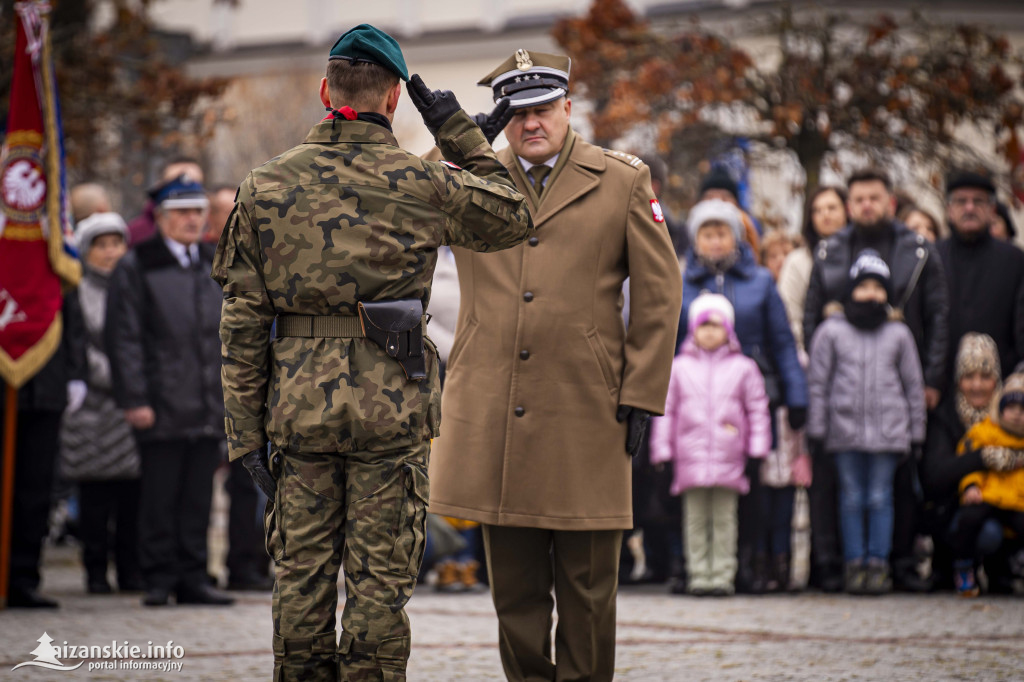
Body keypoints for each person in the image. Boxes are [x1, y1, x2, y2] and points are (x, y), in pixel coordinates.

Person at [214, 24, 532, 680]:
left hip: (297, 407)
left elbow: (242, 324)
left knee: (301, 581)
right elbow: (512, 214)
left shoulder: (265, 186)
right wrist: (457, 131)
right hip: (392, 407)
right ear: (395, 99)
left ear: (324, 90)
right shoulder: (420, 184)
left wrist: (244, 437)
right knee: (379, 585)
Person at [427, 49, 681, 682]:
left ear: (569, 108)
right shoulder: (472, 174)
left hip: (586, 410)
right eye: (515, 112)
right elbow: (403, 211)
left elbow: (659, 292)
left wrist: (644, 391)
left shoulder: (622, 180)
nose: (529, 123)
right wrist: (452, 147)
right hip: (494, 412)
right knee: (513, 593)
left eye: (542, 108)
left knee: (589, 590)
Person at [803, 167, 948, 593]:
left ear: (890, 201)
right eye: (859, 199)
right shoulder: (831, 252)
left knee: (898, 490)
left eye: (874, 197)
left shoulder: (917, 250)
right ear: (850, 206)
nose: (867, 205)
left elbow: (939, 317)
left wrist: (932, 378)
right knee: (843, 492)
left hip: (902, 392)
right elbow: (813, 318)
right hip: (845, 402)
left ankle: (897, 564)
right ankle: (840, 566)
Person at [106, 174, 233, 608]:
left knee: (198, 497)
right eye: (182, 212)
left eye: (198, 212)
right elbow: (124, 338)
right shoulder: (137, 264)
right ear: (161, 218)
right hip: (160, 401)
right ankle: (158, 577)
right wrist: (135, 399)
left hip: (206, 400)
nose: (191, 220)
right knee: (159, 497)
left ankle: (193, 577)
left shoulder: (214, 261)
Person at [677, 198, 808, 593]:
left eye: (722, 233)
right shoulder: (682, 281)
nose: (715, 242)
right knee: (695, 492)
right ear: (696, 240)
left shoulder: (761, 282)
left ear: (735, 237)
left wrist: (795, 394)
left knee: (751, 489)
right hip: (695, 402)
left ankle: (747, 565)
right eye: (707, 234)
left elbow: (782, 341)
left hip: (752, 397)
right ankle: (695, 568)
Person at [806, 251, 927, 594]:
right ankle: (853, 563)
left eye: (878, 287)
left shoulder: (898, 334)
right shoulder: (831, 332)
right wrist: (817, 428)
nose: (871, 293)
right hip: (843, 433)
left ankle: (878, 563)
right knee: (851, 498)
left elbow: (913, 387)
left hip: (888, 434)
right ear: (850, 291)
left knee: (879, 498)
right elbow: (818, 382)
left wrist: (916, 432)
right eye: (864, 286)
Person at [651, 293, 771, 596]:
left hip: (729, 459)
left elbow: (757, 408)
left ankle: (721, 575)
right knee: (694, 520)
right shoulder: (678, 367)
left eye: (716, 326)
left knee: (724, 520)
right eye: (703, 325)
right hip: (689, 460)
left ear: (728, 330)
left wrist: (758, 448)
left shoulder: (744, 368)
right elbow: (666, 410)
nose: (709, 332)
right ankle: (699, 574)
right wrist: (662, 449)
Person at [59, 213, 141, 595]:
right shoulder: (77, 290)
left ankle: (130, 570)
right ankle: (94, 572)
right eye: (102, 245)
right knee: (95, 498)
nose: (111, 253)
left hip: (133, 408)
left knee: (133, 498)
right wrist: (123, 378)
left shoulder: (134, 285)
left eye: (117, 244)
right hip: (93, 408)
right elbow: (81, 345)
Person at [920, 333, 1022, 592]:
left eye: (985, 377)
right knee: (985, 531)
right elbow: (935, 476)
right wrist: (984, 458)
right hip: (960, 507)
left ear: (996, 381)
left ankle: (1002, 570)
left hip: (1010, 501)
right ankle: (957, 567)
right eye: (969, 377)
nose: (977, 385)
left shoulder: (1012, 416)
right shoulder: (946, 418)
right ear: (958, 381)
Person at [1, 302, 86, 608]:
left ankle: (23, 577)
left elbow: (73, 321)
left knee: (36, 490)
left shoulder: (52, 254)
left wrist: (77, 372)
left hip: (47, 380)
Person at [937, 170, 1024, 383]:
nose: (969, 207)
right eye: (961, 201)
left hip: (1000, 388)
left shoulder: (1014, 260)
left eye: (978, 201)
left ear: (991, 209)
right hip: (942, 390)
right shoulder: (933, 257)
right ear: (949, 209)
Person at [951, 373, 1024, 596]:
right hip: (988, 493)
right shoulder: (985, 431)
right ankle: (964, 565)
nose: (1017, 415)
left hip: (1017, 498)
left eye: (1022, 411)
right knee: (969, 520)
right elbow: (968, 464)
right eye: (1011, 408)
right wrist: (971, 486)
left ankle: (1010, 570)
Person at [778, 185, 848, 354]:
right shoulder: (798, 261)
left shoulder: (863, 253)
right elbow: (790, 314)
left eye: (832, 208)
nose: (825, 214)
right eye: (817, 210)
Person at [127, 157, 204, 244]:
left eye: (195, 184)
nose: (192, 218)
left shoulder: (214, 230)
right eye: (176, 183)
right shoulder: (136, 234)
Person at [697, 166, 761, 261]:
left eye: (724, 198)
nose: (718, 203)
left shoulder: (752, 229)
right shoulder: (688, 232)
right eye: (710, 198)